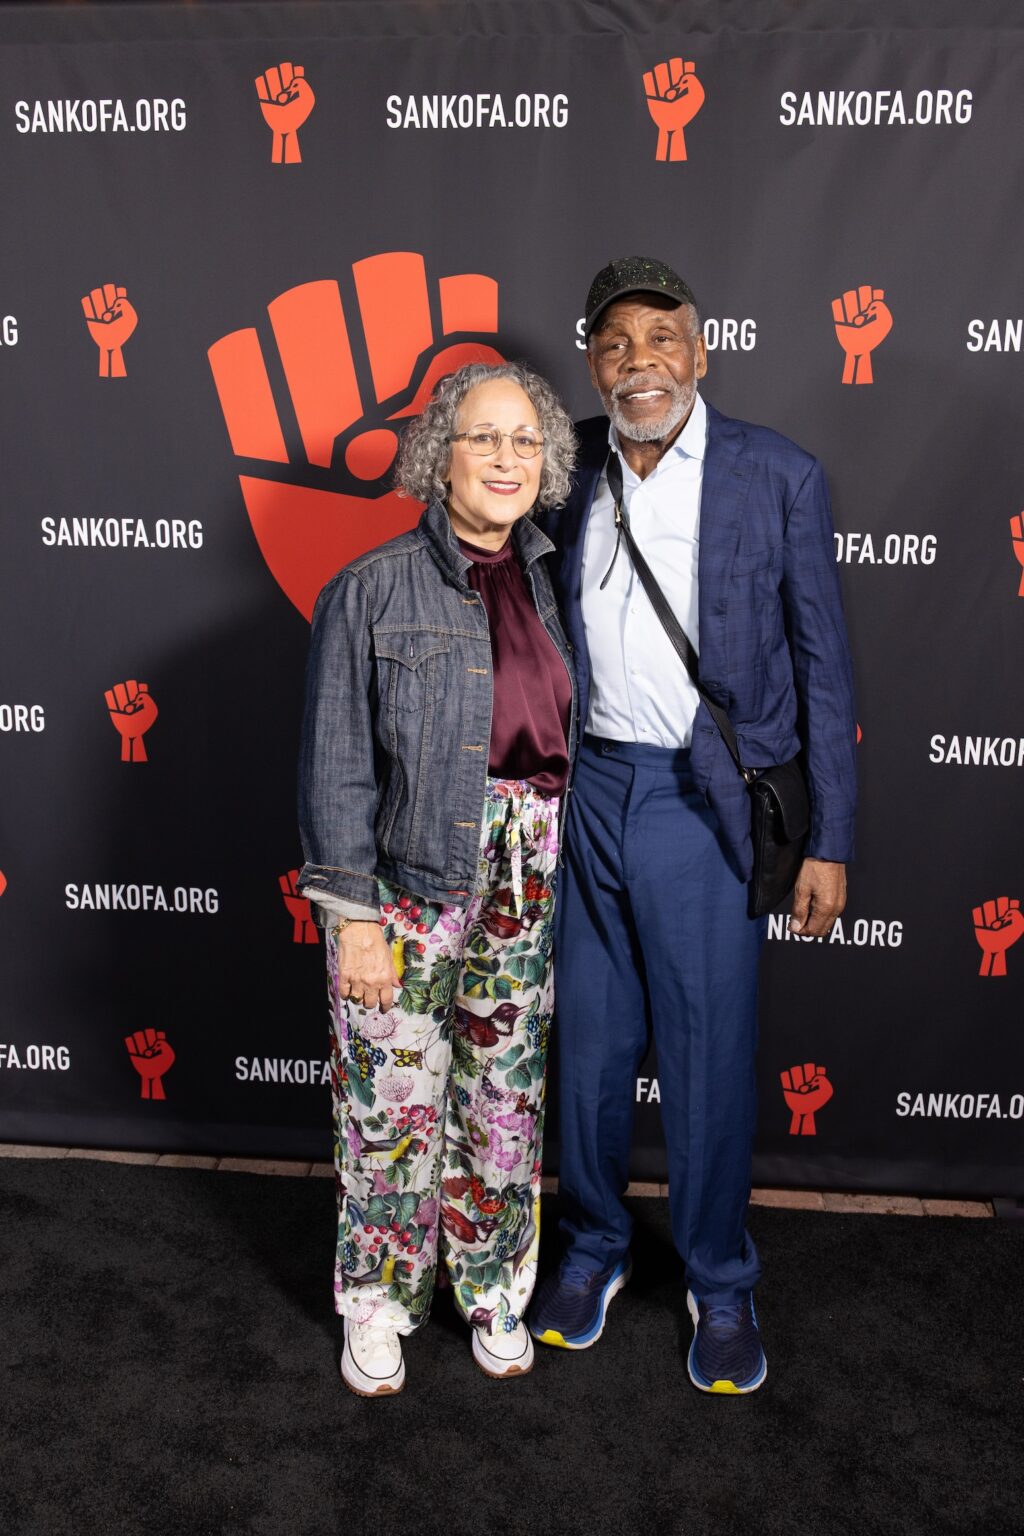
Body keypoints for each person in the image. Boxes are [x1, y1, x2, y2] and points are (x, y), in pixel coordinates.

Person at [528, 258, 856, 1393]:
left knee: (708, 1055)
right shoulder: (562, 462)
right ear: (591, 365)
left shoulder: (778, 474)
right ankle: (592, 1249)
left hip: (702, 799)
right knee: (590, 1052)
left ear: (701, 353)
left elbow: (823, 667)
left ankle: (720, 1279)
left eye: (660, 338)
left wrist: (831, 842)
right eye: (615, 343)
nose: (639, 362)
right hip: (587, 789)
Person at [297, 361, 577, 1396]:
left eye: (524, 440)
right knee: (391, 1106)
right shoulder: (369, 588)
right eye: (483, 438)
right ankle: (377, 1303)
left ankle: (494, 1286)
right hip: (409, 884)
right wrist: (354, 920)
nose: (507, 458)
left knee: (504, 1100)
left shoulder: (547, 578)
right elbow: (336, 764)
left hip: (527, 877)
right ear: (438, 458)